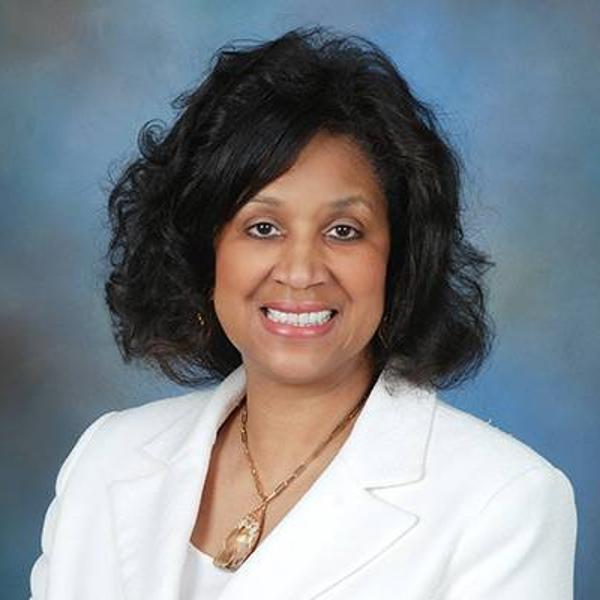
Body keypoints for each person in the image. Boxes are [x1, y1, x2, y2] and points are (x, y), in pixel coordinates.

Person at [29, 26, 577, 600]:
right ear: (204, 252)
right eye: (263, 227)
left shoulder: (503, 502)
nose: (300, 271)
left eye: (344, 231)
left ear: (398, 260)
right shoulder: (105, 459)